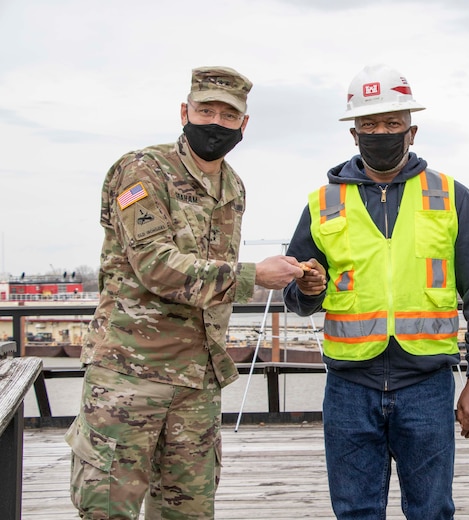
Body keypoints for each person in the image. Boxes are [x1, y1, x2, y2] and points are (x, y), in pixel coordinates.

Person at [66, 66, 305, 519]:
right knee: (107, 509)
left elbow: (209, 279)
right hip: (130, 374)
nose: (215, 122)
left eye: (228, 115)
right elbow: (156, 267)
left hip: (197, 382)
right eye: (205, 110)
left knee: (189, 512)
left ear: (243, 125)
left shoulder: (232, 186)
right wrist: (255, 276)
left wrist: (293, 275)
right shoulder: (143, 171)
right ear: (184, 111)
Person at [283, 64, 469, 519]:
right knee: (355, 512)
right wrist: (307, 289)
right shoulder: (323, 203)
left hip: (427, 384)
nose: (380, 132)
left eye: (391, 124)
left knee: (431, 511)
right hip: (348, 386)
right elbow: (297, 295)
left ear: (411, 130)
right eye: (369, 125)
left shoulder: (449, 195)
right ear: (354, 134)